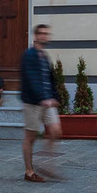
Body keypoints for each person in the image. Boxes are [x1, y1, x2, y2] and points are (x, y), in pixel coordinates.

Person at [18, 21, 62, 182]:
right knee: (30, 136)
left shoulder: (44, 56)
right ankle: (29, 171)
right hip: (33, 102)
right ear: (36, 36)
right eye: (42, 33)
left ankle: (45, 163)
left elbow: (50, 79)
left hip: (47, 101)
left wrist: (54, 97)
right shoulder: (28, 55)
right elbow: (31, 79)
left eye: (47, 33)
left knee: (56, 130)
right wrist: (43, 98)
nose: (45, 36)